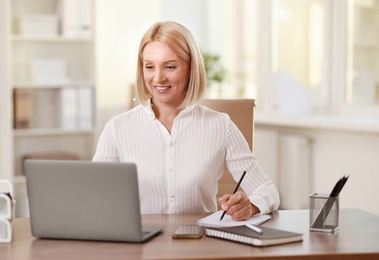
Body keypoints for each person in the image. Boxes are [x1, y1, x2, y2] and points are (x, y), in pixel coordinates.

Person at [93, 21, 279, 221]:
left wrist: (250, 206)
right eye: (149, 66)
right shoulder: (117, 128)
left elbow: (267, 190)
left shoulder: (220, 125)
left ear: (191, 68)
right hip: (141, 246)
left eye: (170, 67)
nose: (158, 78)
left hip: (200, 244)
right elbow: (93, 196)